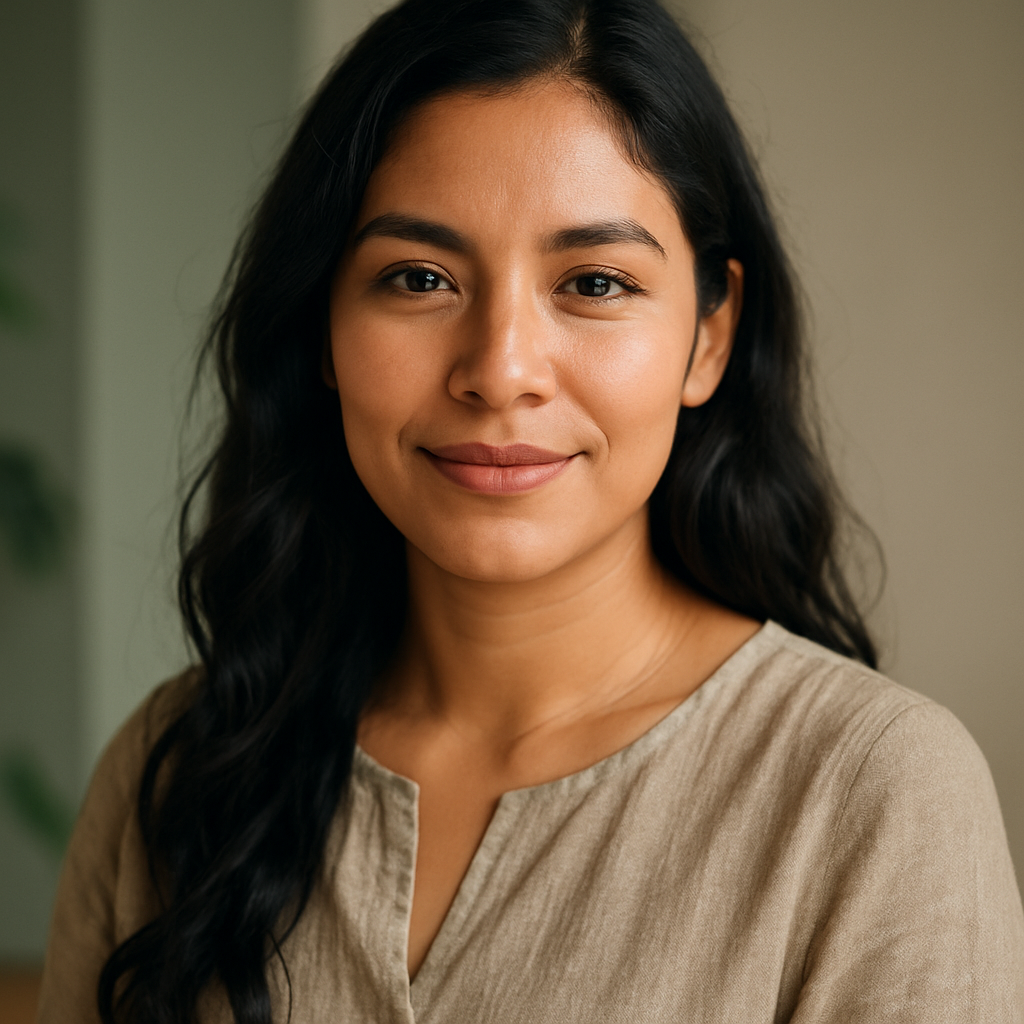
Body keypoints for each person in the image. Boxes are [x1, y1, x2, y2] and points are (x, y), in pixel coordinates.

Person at [39, 0, 1024, 1020]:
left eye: (594, 281)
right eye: (417, 277)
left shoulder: (870, 793)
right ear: (322, 322)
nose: (500, 372)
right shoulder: (182, 767)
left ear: (708, 336)